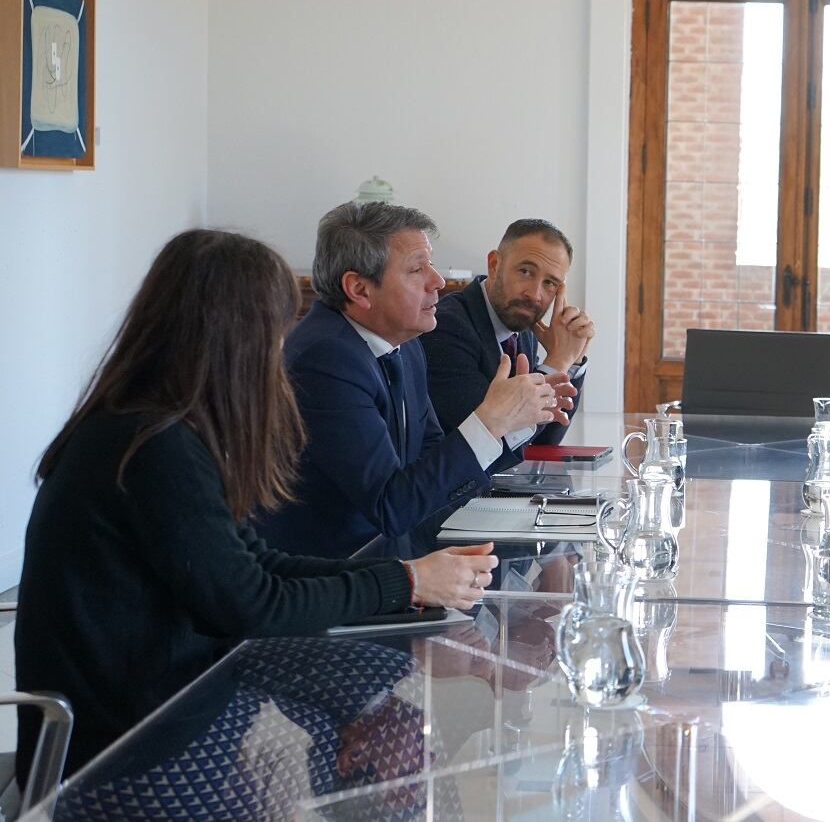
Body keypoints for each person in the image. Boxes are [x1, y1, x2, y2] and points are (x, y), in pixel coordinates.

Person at [15, 229, 498, 777]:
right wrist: (406, 582)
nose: (283, 346)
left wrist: (405, 576)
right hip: (127, 749)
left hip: (170, 708)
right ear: (232, 336)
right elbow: (253, 605)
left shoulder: (160, 425)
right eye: (277, 327)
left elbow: (254, 563)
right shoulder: (152, 446)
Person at [256, 203, 576, 559]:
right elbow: (390, 506)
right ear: (360, 290)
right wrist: (490, 422)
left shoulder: (405, 345)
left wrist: (506, 420)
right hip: (328, 575)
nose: (437, 281)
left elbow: (432, 465)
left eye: (431, 264)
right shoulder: (325, 358)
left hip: (394, 553)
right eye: (416, 269)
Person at [421, 218, 594, 443]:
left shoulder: (520, 324)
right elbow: (490, 444)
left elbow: (544, 443)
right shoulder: (446, 327)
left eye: (550, 283)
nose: (535, 294)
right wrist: (557, 363)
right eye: (525, 271)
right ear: (494, 264)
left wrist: (573, 360)